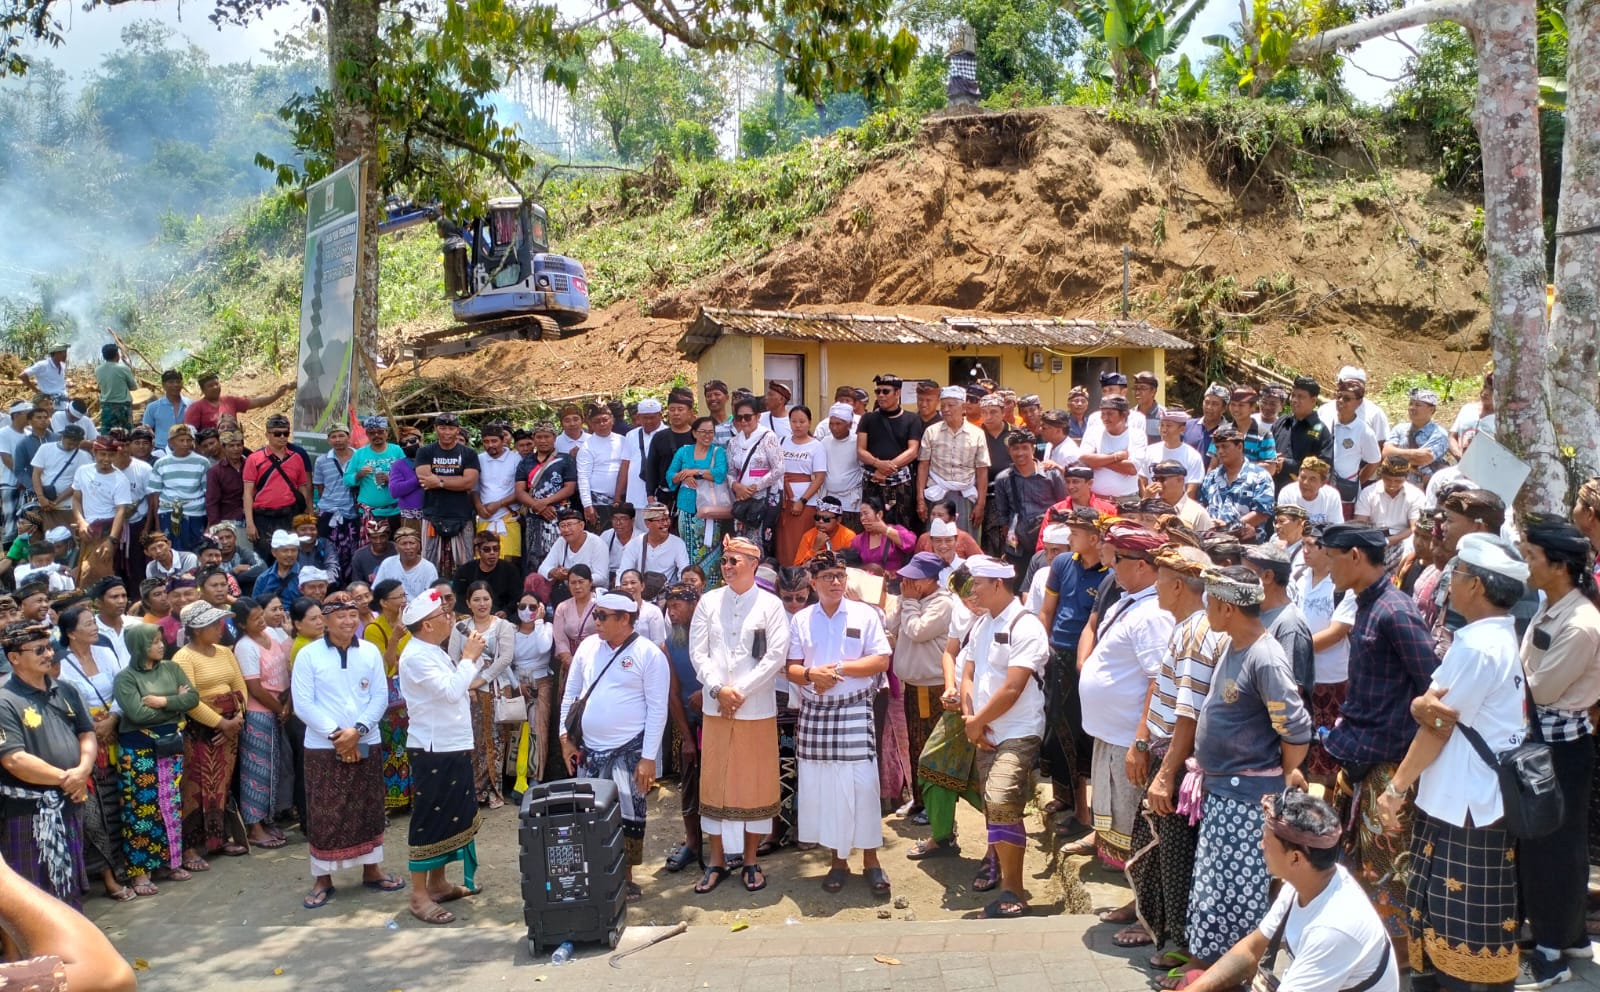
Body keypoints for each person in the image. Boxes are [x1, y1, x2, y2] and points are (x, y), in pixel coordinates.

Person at [1376, 533, 1526, 992]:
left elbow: (1436, 725)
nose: (1449, 581)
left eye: (1457, 574)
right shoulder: (1489, 638)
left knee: (1460, 935)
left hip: (1467, 807)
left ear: (1477, 585)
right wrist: (1423, 707)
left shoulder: (1480, 646)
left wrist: (1395, 789)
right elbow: (1431, 705)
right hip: (1466, 802)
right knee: (1450, 921)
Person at [1317, 523, 1438, 954]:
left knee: (1388, 873)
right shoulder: (1365, 605)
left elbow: (1432, 685)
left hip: (1387, 763)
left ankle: (1396, 965)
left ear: (1353, 556)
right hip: (1357, 753)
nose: (1326, 566)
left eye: (1330, 557)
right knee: (1352, 867)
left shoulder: (1395, 611)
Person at [1185, 566, 1312, 971]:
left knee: (1239, 894)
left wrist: (1287, 773)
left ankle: (1237, 974)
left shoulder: (1265, 657)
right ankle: (1211, 967)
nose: (1205, 610)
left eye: (1209, 603)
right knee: (1214, 888)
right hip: (1224, 791)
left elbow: (1296, 728)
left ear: (1225, 608)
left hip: (1248, 797)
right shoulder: (1235, 644)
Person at [1176, 790, 1399, 992]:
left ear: (1295, 857)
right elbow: (1252, 950)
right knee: (1195, 982)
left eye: (1266, 841)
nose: (1261, 846)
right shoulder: (1306, 882)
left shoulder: (1334, 928)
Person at [1508, 520, 1600, 977]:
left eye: (1533, 557)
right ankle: (1571, 937)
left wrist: (1520, 669)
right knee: (1549, 843)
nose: (1527, 564)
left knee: (1554, 849)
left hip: (1562, 751)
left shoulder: (1582, 623)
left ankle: (1550, 956)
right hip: (1545, 745)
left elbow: (1540, 690)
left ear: (1560, 566)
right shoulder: (1553, 606)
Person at [1123, 545, 1219, 958]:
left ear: (1178, 585)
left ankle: (1178, 939)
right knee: (1162, 849)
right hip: (1168, 750)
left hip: (1180, 758)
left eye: (1160, 580)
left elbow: (1189, 713)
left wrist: (1167, 772)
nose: (1156, 588)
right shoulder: (1185, 626)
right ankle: (1167, 931)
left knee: (1175, 852)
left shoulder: (1198, 632)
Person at [785, 549, 894, 896]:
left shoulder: (865, 613)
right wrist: (810, 674)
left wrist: (840, 670)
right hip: (816, 713)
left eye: (840, 576)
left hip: (854, 708)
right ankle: (837, 861)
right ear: (813, 583)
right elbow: (790, 667)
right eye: (828, 577)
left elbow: (880, 660)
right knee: (827, 789)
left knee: (862, 786)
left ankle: (872, 861)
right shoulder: (802, 619)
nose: (836, 582)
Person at [687, 536, 790, 894]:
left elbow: (775, 655)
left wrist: (740, 691)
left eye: (734, 561)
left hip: (755, 708)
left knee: (754, 785)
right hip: (718, 708)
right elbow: (698, 653)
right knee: (715, 783)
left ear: (753, 562)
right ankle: (715, 861)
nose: (727, 566)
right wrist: (718, 690)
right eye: (725, 561)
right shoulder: (709, 602)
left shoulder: (771, 605)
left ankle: (750, 860)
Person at [291, 592, 406, 909]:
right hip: (322, 745)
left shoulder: (369, 652)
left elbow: (379, 698)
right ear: (325, 620)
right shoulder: (309, 655)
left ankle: (372, 870)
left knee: (369, 808)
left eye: (352, 614)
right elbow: (303, 704)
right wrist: (337, 735)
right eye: (340, 615)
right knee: (325, 812)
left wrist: (358, 731)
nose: (348, 621)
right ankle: (322, 878)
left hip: (365, 740)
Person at [559, 591, 670, 902]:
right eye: (596, 614)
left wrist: (648, 758)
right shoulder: (587, 648)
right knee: (589, 814)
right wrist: (564, 738)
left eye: (603, 617)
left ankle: (626, 878)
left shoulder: (649, 654)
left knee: (628, 815)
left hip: (629, 749)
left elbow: (657, 709)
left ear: (625, 619)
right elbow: (571, 694)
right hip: (589, 750)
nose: (596, 622)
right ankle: (595, 876)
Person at [1073, 525, 1173, 869]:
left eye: (1116, 559)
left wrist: (1140, 742)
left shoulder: (1154, 614)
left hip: (1130, 738)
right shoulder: (1131, 601)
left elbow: (1158, 681)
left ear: (1142, 565)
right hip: (1112, 735)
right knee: (1114, 814)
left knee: (1133, 822)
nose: (1111, 565)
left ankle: (1135, 900)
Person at [956, 555, 1048, 918]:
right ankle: (1010, 885)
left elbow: (1013, 687)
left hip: (1018, 730)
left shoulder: (1026, 625)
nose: (972, 590)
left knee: (1000, 798)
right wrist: (970, 718)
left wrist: (977, 721)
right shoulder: (982, 625)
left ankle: (1014, 888)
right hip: (984, 730)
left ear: (996, 584)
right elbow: (967, 673)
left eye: (977, 583)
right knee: (996, 807)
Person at [397, 588, 488, 925]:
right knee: (430, 819)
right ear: (427, 625)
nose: (450, 619)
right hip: (432, 748)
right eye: (442, 616)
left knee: (452, 815)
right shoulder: (416, 656)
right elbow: (452, 690)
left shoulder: (431, 649)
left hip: (451, 743)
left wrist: (467, 660)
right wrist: (469, 657)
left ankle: (438, 883)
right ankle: (419, 895)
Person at [0, 619, 93, 906]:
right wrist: (69, 779)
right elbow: (14, 760)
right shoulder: (5, 701)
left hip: (69, 801)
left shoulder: (65, 689)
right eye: (38, 650)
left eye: (49, 647)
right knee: (32, 891)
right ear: (14, 658)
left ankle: (69, 946)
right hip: (27, 811)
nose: (48, 655)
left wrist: (83, 770)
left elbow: (86, 732)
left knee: (69, 882)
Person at [111, 622, 197, 896]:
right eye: (153, 642)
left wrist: (162, 702)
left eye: (161, 640)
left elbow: (193, 698)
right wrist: (176, 705)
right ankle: (141, 874)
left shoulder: (171, 668)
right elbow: (136, 715)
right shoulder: (126, 678)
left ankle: (171, 863)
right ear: (138, 647)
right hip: (139, 753)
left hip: (170, 748)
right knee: (141, 810)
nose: (161, 645)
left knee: (170, 805)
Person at [53, 606, 131, 901]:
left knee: (120, 802)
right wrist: (92, 728)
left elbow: (122, 689)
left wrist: (112, 719)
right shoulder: (62, 662)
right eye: (88, 624)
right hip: (84, 742)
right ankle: (104, 873)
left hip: (115, 733)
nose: (95, 628)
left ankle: (124, 865)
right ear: (71, 633)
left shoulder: (106, 653)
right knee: (97, 810)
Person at [170, 600, 248, 867]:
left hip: (230, 727)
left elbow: (240, 686)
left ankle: (217, 838)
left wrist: (237, 718)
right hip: (200, 729)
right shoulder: (183, 657)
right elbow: (190, 700)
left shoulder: (226, 652)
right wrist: (219, 723)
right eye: (215, 624)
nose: (221, 627)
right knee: (196, 786)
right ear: (197, 629)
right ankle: (190, 847)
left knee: (220, 784)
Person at [890, 553, 955, 823]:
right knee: (915, 746)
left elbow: (917, 630)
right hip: (913, 687)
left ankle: (934, 805)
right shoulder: (911, 600)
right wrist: (905, 602)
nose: (906, 581)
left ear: (929, 579)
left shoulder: (943, 604)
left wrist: (909, 603)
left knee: (932, 748)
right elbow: (890, 625)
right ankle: (919, 800)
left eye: (913, 578)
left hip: (933, 687)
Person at [231, 596, 291, 849]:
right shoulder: (245, 646)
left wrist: (285, 705)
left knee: (273, 769)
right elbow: (254, 687)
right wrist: (280, 709)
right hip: (259, 713)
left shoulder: (272, 636)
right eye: (254, 619)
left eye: (260, 615)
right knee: (256, 771)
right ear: (243, 625)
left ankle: (267, 819)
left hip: (279, 706)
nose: (260, 621)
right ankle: (254, 826)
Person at [450, 581, 516, 809]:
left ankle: (493, 789)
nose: (481, 604)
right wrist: (468, 685)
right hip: (465, 690)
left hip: (494, 689)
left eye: (485, 599)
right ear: (468, 603)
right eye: (476, 599)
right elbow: (453, 657)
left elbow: (505, 658)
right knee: (472, 741)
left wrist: (480, 680)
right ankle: (473, 789)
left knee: (494, 741)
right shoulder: (460, 627)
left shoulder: (502, 626)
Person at [663, 583, 704, 872]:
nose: (671, 612)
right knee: (689, 782)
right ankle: (692, 842)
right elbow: (673, 694)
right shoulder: (669, 645)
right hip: (687, 723)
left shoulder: (713, 637)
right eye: (669, 606)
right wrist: (687, 738)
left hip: (717, 719)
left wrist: (709, 691)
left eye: (677, 606)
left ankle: (727, 844)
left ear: (694, 606)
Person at [363, 579, 414, 812]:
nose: (404, 601)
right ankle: (393, 798)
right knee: (392, 748)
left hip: (410, 691)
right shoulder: (374, 629)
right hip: (390, 698)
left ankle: (411, 795)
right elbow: (384, 667)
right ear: (384, 602)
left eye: (404, 596)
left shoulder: (409, 624)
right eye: (398, 597)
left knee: (410, 746)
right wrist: (394, 637)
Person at [1242, 543, 1315, 703]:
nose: (1241, 580)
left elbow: (1287, 695)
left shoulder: (1290, 625)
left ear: (1267, 576)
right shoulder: (1254, 613)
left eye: (1248, 573)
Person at [413, 413, 481, 578]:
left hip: (462, 516)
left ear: (457, 430)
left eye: (451, 428)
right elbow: (424, 479)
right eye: (442, 428)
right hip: (432, 515)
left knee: (465, 565)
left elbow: (469, 483)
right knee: (429, 565)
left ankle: (463, 599)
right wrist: (457, 480)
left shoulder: (469, 454)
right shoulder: (425, 452)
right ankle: (430, 600)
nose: (447, 432)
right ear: (436, 429)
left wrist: (440, 482)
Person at [917, 385, 990, 531]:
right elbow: (923, 466)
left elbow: (982, 470)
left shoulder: (977, 433)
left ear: (963, 407)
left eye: (950, 405)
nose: (945, 409)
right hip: (937, 493)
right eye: (943, 405)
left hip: (965, 494)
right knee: (937, 538)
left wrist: (981, 504)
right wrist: (920, 499)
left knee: (964, 539)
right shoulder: (931, 431)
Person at [857, 374, 924, 529]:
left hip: (899, 483)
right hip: (872, 480)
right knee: (871, 523)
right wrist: (878, 464)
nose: (880, 395)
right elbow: (860, 450)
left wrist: (887, 469)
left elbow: (913, 451)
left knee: (900, 527)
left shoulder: (912, 419)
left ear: (897, 393)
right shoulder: (868, 418)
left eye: (885, 391)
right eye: (877, 391)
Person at [993, 429, 1066, 571]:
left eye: (1024, 448)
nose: (1020, 453)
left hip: (1047, 538)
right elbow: (1002, 514)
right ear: (1009, 451)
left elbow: (1062, 506)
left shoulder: (1051, 475)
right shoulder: (1003, 479)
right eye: (1015, 448)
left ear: (1033, 448)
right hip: (1018, 542)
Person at [666, 416, 728, 580]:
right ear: (694, 433)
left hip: (709, 509)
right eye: (703, 432)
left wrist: (696, 472)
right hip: (686, 505)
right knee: (687, 547)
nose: (707, 436)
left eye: (711, 432)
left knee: (710, 547)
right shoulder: (683, 451)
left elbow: (720, 473)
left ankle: (709, 586)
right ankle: (689, 582)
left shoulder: (718, 451)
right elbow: (670, 474)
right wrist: (683, 476)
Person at [241, 414, 311, 558]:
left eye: (285, 433)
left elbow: (303, 488)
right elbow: (247, 493)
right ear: (267, 434)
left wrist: (306, 516)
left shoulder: (296, 458)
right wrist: (250, 523)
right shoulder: (254, 459)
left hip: (289, 515)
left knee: (290, 555)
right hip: (263, 517)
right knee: (264, 557)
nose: (282, 437)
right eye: (277, 433)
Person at [514, 422, 577, 569]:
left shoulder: (565, 460)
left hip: (560, 517)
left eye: (547, 436)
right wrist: (538, 506)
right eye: (539, 437)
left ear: (554, 438)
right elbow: (519, 491)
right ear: (534, 439)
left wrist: (545, 502)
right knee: (534, 559)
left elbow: (569, 488)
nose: (543, 440)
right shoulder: (525, 462)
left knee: (562, 558)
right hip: (534, 518)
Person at [510, 591, 553, 786]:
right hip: (518, 682)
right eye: (523, 607)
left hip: (541, 682)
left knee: (538, 729)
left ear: (541, 608)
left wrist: (538, 623)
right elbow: (504, 661)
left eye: (533, 607)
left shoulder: (546, 627)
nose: (527, 611)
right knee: (517, 730)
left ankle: (535, 777)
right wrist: (516, 685)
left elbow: (544, 647)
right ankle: (518, 778)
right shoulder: (510, 631)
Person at [1270, 376, 1334, 490]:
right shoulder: (1282, 422)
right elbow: (1265, 448)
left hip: (1301, 495)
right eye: (1293, 395)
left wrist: (1288, 465)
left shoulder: (1321, 431)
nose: (1294, 400)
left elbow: (1324, 468)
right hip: (1271, 489)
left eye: (1300, 397)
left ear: (1313, 401)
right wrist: (1271, 458)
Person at [537, 508, 609, 603]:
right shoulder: (561, 541)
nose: (566, 530)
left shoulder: (597, 543)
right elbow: (542, 568)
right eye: (562, 526)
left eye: (570, 525)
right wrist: (553, 572)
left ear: (581, 525)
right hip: (566, 589)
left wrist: (573, 576)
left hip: (591, 591)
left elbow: (602, 578)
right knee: (534, 579)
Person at [1383, 388, 1449, 489]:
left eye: (1418, 405)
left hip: (1425, 487)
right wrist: (1414, 454)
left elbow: (1423, 459)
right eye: (1411, 403)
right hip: (1398, 486)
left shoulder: (1439, 434)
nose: (1412, 408)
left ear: (1431, 409)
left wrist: (1396, 456)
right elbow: (1386, 453)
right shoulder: (1400, 428)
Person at [183, 372, 290, 432]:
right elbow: (190, 433)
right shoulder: (196, 408)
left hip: (234, 447)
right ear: (203, 390)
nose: (215, 387)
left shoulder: (230, 401)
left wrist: (276, 395)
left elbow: (257, 402)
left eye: (217, 384)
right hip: (211, 451)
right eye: (210, 386)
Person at [575, 403, 627, 527]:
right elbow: (583, 478)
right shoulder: (587, 447)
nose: (602, 424)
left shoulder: (623, 440)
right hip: (598, 502)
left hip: (623, 499)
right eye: (597, 421)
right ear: (591, 425)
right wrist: (587, 505)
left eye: (605, 420)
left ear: (612, 420)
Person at [345, 416, 403, 525]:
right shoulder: (360, 453)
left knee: (395, 541)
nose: (376, 435)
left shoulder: (397, 451)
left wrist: (391, 480)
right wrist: (358, 475)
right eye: (372, 433)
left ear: (387, 432)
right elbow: (347, 479)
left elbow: (409, 476)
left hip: (395, 511)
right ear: (367, 434)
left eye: (380, 432)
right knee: (372, 542)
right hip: (370, 512)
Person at [551, 564, 599, 688]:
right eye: (572, 583)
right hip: (570, 660)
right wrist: (568, 659)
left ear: (590, 583)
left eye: (581, 582)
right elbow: (559, 637)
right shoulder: (562, 607)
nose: (577, 586)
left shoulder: (600, 605)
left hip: (596, 658)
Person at [621, 502, 690, 586]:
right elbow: (624, 571)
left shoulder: (678, 543)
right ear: (647, 523)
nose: (666, 524)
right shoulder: (635, 543)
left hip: (666, 594)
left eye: (667, 519)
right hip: (640, 592)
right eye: (661, 520)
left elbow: (684, 573)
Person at [452, 531, 521, 617]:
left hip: (501, 618)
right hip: (472, 617)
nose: (492, 553)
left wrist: (506, 611)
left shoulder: (510, 570)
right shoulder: (464, 571)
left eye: (496, 549)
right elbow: (459, 600)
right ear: (478, 551)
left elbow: (517, 597)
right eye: (487, 549)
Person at [619, 398, 666, 511]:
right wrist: (618, 495)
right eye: (645, 417)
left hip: (659, 497)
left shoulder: (668, 434)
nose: (649, 421)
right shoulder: (631, 435)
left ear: (660, 415)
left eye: (652, 417)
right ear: (639, 417)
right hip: (635, 497)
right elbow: (625, 465)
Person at [849, 496, 915, 574]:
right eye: (861, 515)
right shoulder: (858, 540)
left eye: (866, 513)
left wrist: (885, 530)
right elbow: (853, 566)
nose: (862, 518)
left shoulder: (896, 530)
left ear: (879, 514)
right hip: (870, 582)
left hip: (894, 583)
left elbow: (910, 544)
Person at [374, 526, 438, 601]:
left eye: (412, 543)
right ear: (396, 547)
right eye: (404, 544)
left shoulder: (428, 568)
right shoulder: (388, 564)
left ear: (418, 546)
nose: (408, 547)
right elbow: (377, 591)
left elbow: (434, 597)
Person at [253, 529, 304, 608]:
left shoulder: (304, 575)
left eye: (294, 550)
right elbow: (255, 607)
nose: (290, 554)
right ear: (274, 552)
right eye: (285, 550)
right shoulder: (263, 578)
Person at [141, 370, 190, 450]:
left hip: (186, 447)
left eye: (178, 382)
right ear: (163, 385)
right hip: (161, 448)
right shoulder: (153, 407)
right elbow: (146, 430)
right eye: (171, 382)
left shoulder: (190, 405)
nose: (175, 385)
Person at [95, 344, 137, 432]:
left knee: (107, 434)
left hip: (106, 406)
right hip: (123, 406)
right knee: (126, 434)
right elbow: (133, 387)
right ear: (117, 355)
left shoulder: (98, 370)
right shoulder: (123, 368)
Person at [349, 518, 395, 587]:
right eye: (374, 538)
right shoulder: (359, 556)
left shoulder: (398, 550)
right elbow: (357, 585)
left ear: (388, 536)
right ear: (369, 538)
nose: (378, 541)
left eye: (382, 537)